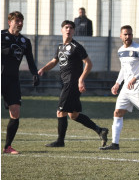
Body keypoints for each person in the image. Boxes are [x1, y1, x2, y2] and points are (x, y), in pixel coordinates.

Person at [38, 20, 108, 148]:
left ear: (74, 31)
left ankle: (60, 141)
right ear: (62, 30)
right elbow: (54, 61)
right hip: (66, 83)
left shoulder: (77, 47)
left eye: (71, 28)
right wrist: (43, 69)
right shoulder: (60, 47)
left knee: (60, 112)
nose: (68, 30)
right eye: (66, 27)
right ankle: (100, 130)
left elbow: (89, 63)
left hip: (72, 83)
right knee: (73, 115)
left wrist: (81, 79)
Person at [1, 11, 40, 154]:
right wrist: (5, 51)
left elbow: (30, 60)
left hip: (12, 80)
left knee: (15, 111)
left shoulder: (25, 42)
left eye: (21, 21)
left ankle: (7, 147)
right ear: (9, 22)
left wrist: (35, 74)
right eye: (17, 21)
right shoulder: (1, 36)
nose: (20, 23)